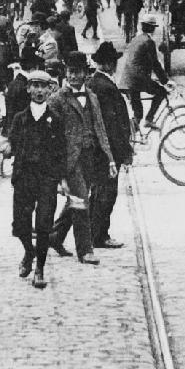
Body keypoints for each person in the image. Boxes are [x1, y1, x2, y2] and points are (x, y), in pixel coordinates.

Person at [48, 51, 116, 263]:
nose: (73, 77)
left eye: (77, 72)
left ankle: (55, 236)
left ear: (86, 74)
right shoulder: (57, 99)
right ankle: (85, 250)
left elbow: (100, 128)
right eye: (70, 72)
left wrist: (110, 158)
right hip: (70, 158)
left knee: (78, 198)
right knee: (81, 201)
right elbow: (52, 134)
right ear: (65, 73)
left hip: (91, 156)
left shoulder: (92, 97)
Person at [3, 69, 67, 289]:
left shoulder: (56, 119)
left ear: (50, 90)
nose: (39, 91)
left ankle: (39, 268)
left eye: (43, 86)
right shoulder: (20, 119)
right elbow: (11, 142)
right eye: (35, 86)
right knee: (20, 225)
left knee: (43, 225)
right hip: (24, 176)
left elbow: (61, 150)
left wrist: (61, 179)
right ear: (28, 88)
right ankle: (28, 253)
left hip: (47, 178)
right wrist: (5, 149)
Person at [86, 41, 132, 249]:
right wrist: (123, 151)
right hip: (109, 150)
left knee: (98, 192)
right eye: (113, 62)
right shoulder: (104, 86)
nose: (115, 65)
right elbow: (111, 124)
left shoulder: (95, 82)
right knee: (106, 193)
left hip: (100, 148)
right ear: (107, 64)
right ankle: (99, 235)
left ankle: (93, 232)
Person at [116, 17, 169, 132]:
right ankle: (149, 119)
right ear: (152, 29)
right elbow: (155, 64)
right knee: (161, 92)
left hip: (127, 80)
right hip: (137, 80)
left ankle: (130, 138)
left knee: (138, 113)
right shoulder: (148, 42)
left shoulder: (136, 39)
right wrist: (166, 81)